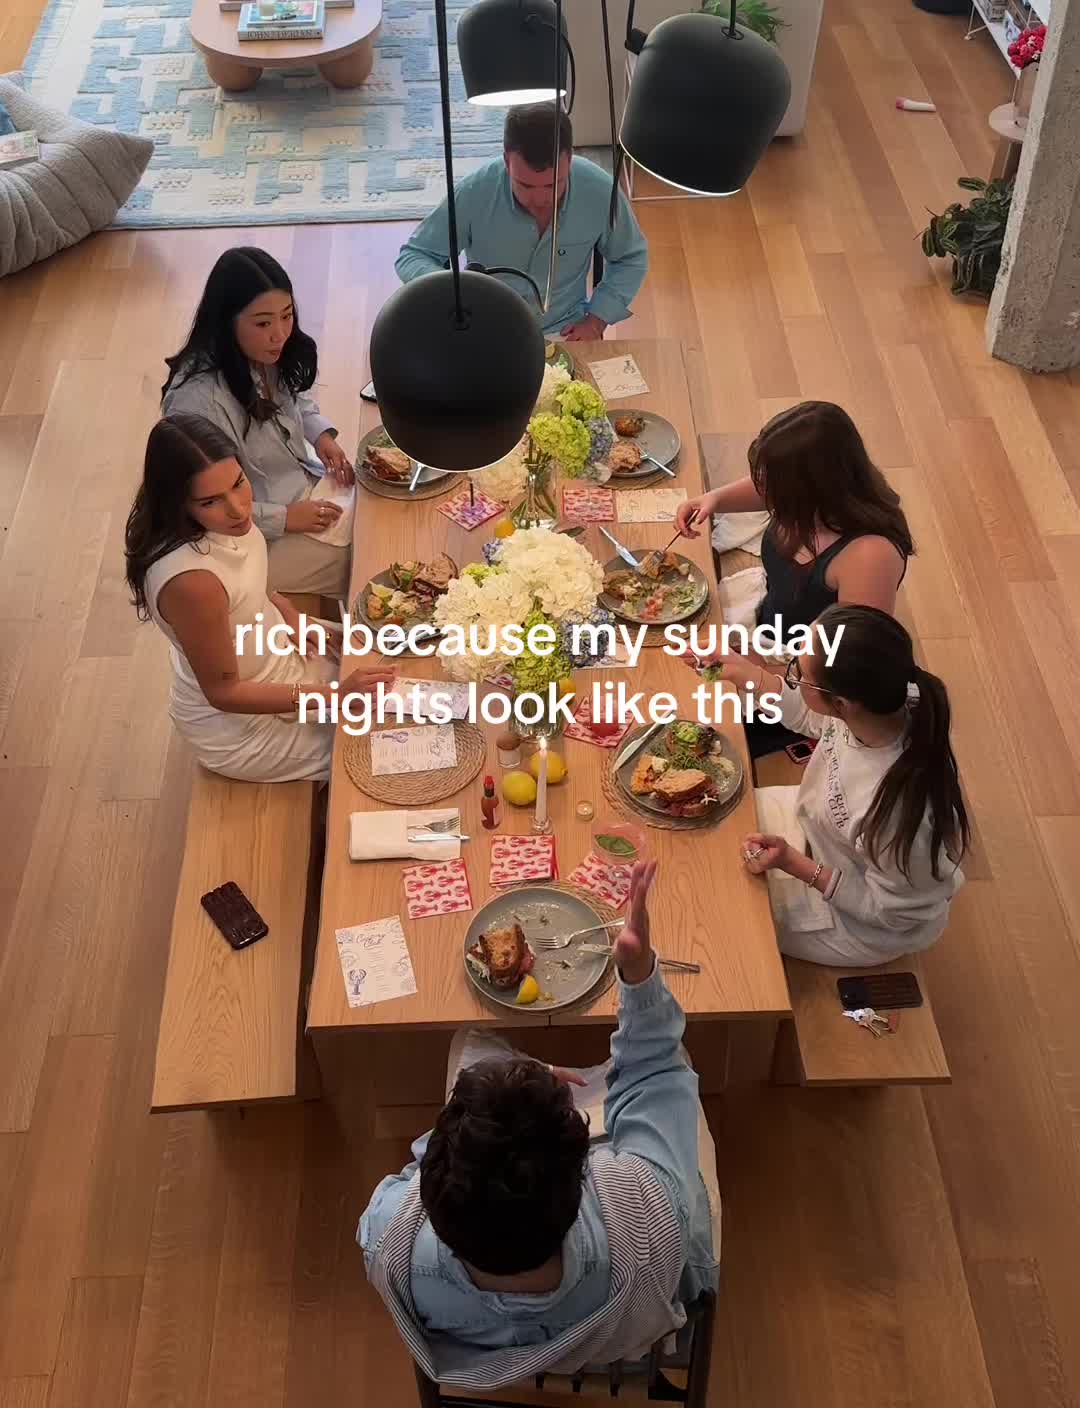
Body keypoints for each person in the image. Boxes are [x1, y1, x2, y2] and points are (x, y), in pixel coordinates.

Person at [359, 862, 720, 1384]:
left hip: (476, 1346)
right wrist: (639, 978)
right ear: (584, 1174)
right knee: (678, 1079)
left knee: (470, 1044)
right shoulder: (647, 1218)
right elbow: (659, 1072)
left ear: (435, 1199)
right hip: (614, 1328)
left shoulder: (388, 1240)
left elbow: (408, 1182)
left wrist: (499, 1096)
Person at [125, 416, 384, 784]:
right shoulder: (192, 583)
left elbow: (248, 585)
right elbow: (224, 693)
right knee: (379, 752)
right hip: (244, 725)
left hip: (281, 654)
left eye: (238, 483)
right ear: (177, 504)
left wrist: (290, 616)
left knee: (392, 659)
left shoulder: (226, 525)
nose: (238, 509)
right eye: (210, 501)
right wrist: (335, 695)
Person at [718, 605, 968, 966]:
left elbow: (892, 914)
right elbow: (811, 717)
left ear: (841, 703)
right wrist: (748, 675)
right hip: (823, 835)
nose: (791, 675)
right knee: (719, 818)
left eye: (799, 673)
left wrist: (793, 863)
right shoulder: (881, 705)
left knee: (729, 914)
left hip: (860, 924)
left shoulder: (895, 812)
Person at [676, 402, 915, 757]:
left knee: (688, 723)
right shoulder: (812, 498)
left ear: (810, 488)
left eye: (774, 487)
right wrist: (714, 500)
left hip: (808, 683)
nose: (764, 493)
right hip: (768, 639)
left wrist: (756, 667)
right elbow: (765, 487)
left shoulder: (870, 557)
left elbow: (841, 671)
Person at [161, 248, 355, 600]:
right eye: (263, 323)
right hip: (251, 536)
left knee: (379, 506)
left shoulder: (258, 351)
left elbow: (293, 398)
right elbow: (202, 505)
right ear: (227, 321)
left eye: (287, 315)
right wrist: (284, 517)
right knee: (362, 561)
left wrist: (320, 435)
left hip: (304, 491)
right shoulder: (197, 403)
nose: (280, 334)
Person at [392, 102, 648, 344]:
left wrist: (596, 320)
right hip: (485, 333)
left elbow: (631, 258)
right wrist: (454, 293)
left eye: (553, 185)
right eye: (525, 185)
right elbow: (414, 255)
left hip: (566, 331)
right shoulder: (474, 192)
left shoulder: (600, 191)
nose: (539, 200)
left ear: (569, 159)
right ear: (506, 161)